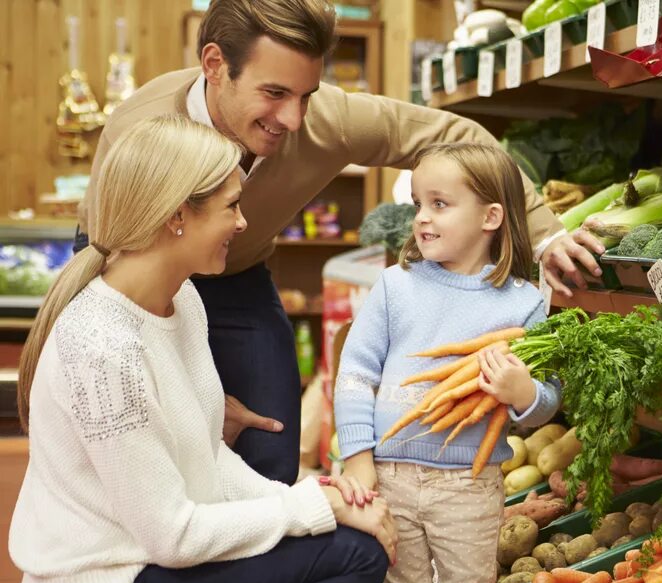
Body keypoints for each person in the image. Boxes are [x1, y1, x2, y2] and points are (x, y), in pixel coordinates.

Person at [73, 0, 604, 486]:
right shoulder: (140, 131)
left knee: (271, 434)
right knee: (152, 437)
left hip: (237, 275)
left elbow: (461, 138)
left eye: (306, 95)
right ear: (215, 65)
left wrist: (545, 233)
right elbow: (115, 300)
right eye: (274, 93)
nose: (294, 119)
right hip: (128, 276)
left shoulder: (326, 119)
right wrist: (198, 399)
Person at [10, 114, 396, 583]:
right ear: (176, 217)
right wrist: (316, 506)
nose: (243, 223)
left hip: (146, 574)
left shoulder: (181, 300)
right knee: (353, 555)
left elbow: (207, 457)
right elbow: (174, 535)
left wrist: (317, 500)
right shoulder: (104, 349)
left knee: (354, 547)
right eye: (231, 206)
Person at [335, 142, 563, 583]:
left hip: (470, 485)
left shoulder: (526, 302)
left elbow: (548, 401)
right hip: (391, 477)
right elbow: (355, 373)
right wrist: (358, 458)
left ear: (491, 217)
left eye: (440, 204)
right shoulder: (395, 286)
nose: (422, 218)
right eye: (419, 204)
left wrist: (522, 393)